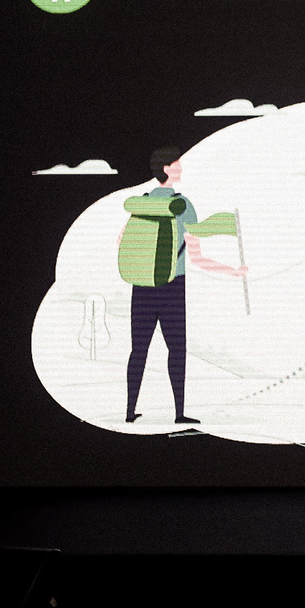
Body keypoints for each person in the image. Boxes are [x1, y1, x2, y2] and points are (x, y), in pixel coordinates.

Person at [125, 146, 247, 424]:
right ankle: (179, 414)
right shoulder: (182, 205)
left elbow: (123, 240)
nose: (181, 167)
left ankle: (129, 413)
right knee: (177, 350)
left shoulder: (142, 204)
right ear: (166, 169)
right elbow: (198, 257)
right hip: (172, 287)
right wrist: (233, 271)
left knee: (139, 350)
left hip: (141, 285)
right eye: (177, 163)